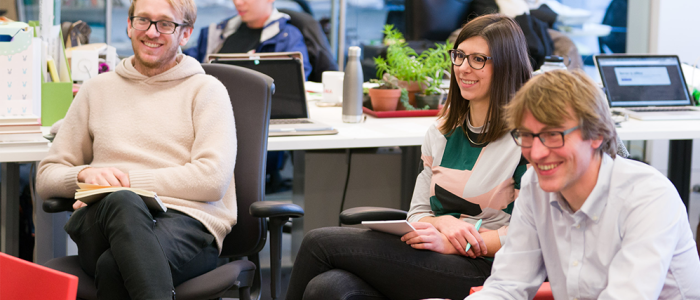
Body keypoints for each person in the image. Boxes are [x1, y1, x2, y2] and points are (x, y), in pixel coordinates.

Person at [284, 14, 532, 300]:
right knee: (327, 288)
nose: (463, 68)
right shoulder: (441, 131)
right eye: (460, 56)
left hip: (487, 268)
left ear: (506, 67)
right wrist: (443, 223)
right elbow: (417, 212)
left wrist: (453, 244)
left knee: (319, 243)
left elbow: (527, 234)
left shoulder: (525, 140)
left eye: (478, 60)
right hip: (433, 254)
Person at [36, 0, 237, 298]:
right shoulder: (97, 89)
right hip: (102, 221)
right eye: (143, 20)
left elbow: (212, 180)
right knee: (123, 202)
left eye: (165, 24)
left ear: (185, 34)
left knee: (112, 266)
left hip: (185, 225)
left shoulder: (207, 91)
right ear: (129, 25)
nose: (151, 32)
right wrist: (86, 174)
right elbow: (46, 177)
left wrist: (128, 181)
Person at [467, 69, 700, 299]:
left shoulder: (649, 197)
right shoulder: (534, 186)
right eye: (527, 135)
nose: (535, 153)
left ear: (597, 134)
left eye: (553, 135)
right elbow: (507, 285)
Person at [184, 0, 312, 79]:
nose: (238, 2)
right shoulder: (217, 33)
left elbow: (294, 83)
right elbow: (190, 64)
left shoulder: (287, 38)